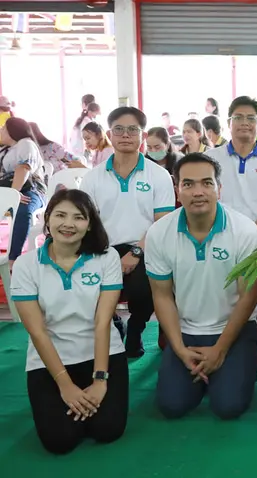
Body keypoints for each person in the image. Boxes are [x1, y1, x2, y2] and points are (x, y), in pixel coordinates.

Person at [145, 153, 257, 420]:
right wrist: (179, 348)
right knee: (172, 406)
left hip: (234, 327)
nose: (198, 192)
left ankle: (238, 363)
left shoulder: (245, 231)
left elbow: (248, 297)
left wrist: (220, 350)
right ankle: (210, 373)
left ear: (219, 189)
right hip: (187, 330)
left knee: (228, 406)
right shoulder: (159, 233)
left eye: (206, 183)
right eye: (188, 184)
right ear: (177, 189)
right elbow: (162, 296)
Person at [10, 189, 127, 454]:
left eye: (78, 217)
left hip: (102, 353)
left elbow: (102, 322)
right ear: (48, 219)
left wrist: (100, 380)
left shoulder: (107, 257)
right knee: (60, 441)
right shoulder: (26, 265)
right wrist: (65, 386)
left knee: (108, 430)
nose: (68, 224)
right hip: (50, 359)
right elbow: (38, 332)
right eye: (60, 215)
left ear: (90, 225)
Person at [81, 107, 176, 358]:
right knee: (87, 284)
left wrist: (135, 253)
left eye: (133, 129)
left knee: (143, 289)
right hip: (103, 248)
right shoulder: (93, 178)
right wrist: (105, 256)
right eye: (119, 129)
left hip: (146, 246)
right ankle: (114, 324)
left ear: (142, 135)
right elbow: (88, 224)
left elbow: (162, 223)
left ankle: (136, 329)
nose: (126, 135)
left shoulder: (159, 175)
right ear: (110, 134)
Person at [205, 96, 257, 233]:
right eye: (238, 118)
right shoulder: (210, 158)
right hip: (219, 232)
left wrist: (251, 232)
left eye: (251, 118)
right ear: (229, 123)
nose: (244, 123)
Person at [0, 117, 47, 264]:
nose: (0, 130)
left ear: (12, 130)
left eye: (3, 128)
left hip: (31, 190)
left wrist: (13, 194)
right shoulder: (5, 150)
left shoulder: (26, 143)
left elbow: (24, 168)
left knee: (23, 210)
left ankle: (13, 260)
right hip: (10, 191)